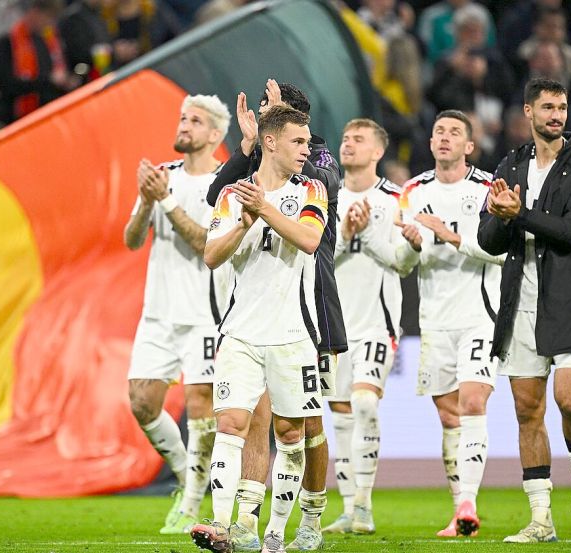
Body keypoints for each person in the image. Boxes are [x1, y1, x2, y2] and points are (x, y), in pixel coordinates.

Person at [204, 80, 343, 552]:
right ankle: (225, 526)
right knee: (231, 424)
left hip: (294, 332)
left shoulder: (313, 188)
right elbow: (211, 256)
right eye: (299, 142)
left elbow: (308, 240)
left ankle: (277, 535)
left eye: (307, 142)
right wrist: (243, 223)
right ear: (270, 142)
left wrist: (261, 208)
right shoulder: (232, 196)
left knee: (291, 433)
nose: (307, 149)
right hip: (241, 332)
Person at [478, 77, 571, 543]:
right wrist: (497, 214)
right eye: (548, 107)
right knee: (527, 410)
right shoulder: (511, 164)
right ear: (528, 112)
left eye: (563, 107)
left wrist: (520, 215)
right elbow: (486, 240)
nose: (557, 115)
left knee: (569, 400)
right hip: (522, 302)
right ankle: (540, 520)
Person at [122, 94, 231, 535]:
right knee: (141, 402)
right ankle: (189, 476)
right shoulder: (162, 176)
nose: (185, 125)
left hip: (204, 313)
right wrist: (147, 200)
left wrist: (165, 201)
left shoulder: (224, 182)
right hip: (159, 312)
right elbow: (131, 239)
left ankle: (189, 505)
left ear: (215, 135)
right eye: (183, 118)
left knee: (201, 406)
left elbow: (209, 245)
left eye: (196, 120)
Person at [392, 110, 503, 538]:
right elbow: (401, 264)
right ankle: (460, 513)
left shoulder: (488, 188)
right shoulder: (412, 191)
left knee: (473, 402)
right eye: (439, 131)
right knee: (448, 415)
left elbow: (501, 253)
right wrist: (413, 245)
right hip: (435, 321)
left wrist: (450, 234)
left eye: (455, 132)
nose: (444, 137)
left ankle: (469, 503)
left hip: (479, 315)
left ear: (469, 146)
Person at [321, 118, 403, 537]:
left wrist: (367, 234)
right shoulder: (325, 198)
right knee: (339, 413)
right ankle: (349, 508)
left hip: (376, 322)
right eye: (345, 137)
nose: (348, 144)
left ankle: (364, 507)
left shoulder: (393, 199)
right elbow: (314, 263)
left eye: (359, 139)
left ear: (377, 152)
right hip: (334, 325)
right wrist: (345, 233)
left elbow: (405, 261)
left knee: (365, 404)